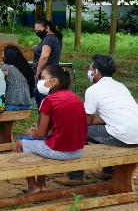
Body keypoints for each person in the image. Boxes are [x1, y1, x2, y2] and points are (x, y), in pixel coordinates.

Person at [56, 55, 138, 186]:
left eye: (90, 68)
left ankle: (75, 175)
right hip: (135, 133)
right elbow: (110, 118)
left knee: (76, 131)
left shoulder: (93, 90)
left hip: (123, 135)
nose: (89, 72)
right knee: (106, 129)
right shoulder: (121, 86)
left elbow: (86, 122)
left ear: (95, 71)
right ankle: (109, 170)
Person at [16, 65, 87, 194]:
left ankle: (33, 186)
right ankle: (42, 185)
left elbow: (40, 134)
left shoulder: (49, 100)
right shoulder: (74, 97)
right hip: (78, 150)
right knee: (43, 141)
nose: (40, 81)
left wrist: (33, 132)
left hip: (61, 151)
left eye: (43, 78)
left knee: (20, 144)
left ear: (53, 81)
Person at [0, 45, 35, 143]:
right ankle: (3, 137)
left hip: (12, 105)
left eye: (3, 53)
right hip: (27, 105)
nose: (2, 55)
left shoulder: (6, 68)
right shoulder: (26, 67)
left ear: (8, 56)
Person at [32, 19, 63, 109]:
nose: (37, 33)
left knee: (43, 101)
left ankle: (44, 122)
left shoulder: (48, 39)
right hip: (53, 72)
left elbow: (44, 56)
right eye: (36, 31)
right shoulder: (56, 38)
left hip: (44, 74)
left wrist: (38, 70)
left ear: (47, 28)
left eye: (39, 30)